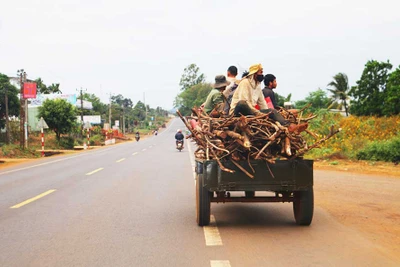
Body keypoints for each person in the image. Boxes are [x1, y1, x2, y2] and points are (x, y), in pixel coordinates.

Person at [229, 64, 307, 133]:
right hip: (238, 112)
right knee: (242, 103)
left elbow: (262, 102)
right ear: (254, 74)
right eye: (260, 72)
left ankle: (290, 126)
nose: (262, 74)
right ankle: (260, 114)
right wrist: (259, 114)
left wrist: (267, 113)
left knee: (271, 111)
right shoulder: (245, 82)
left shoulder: (258, 85)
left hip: (251, 112)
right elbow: (245, 102)